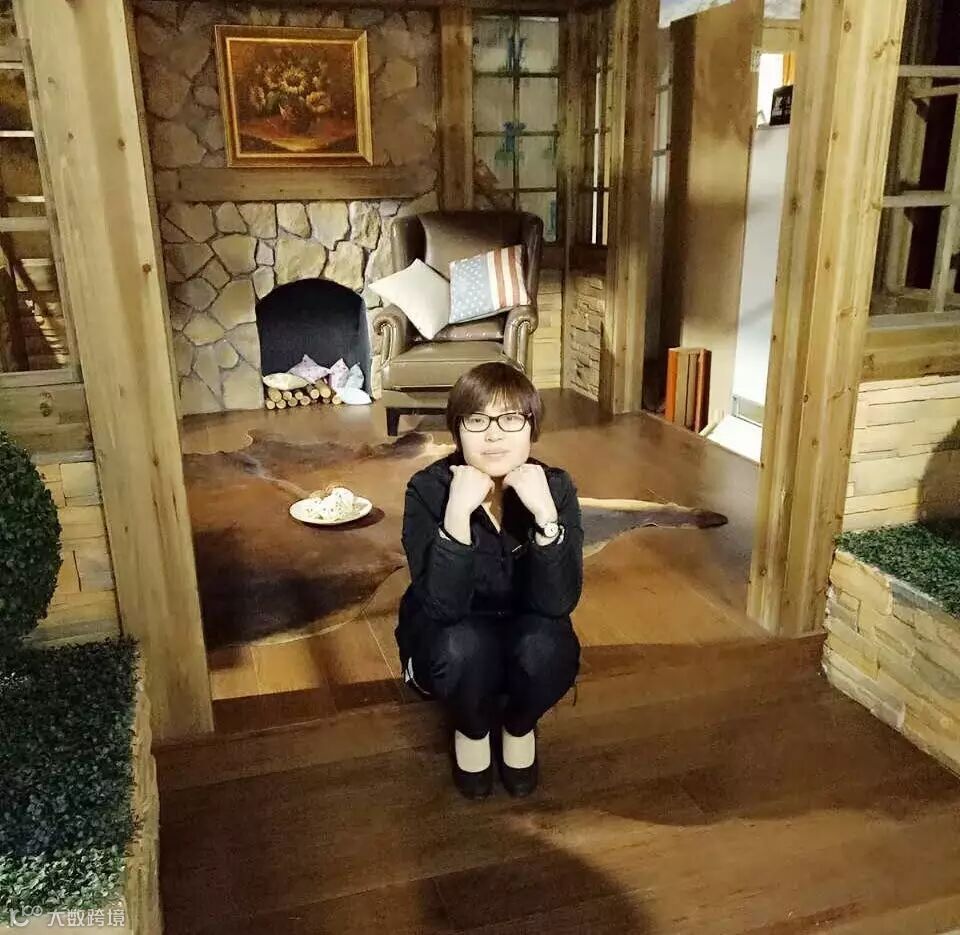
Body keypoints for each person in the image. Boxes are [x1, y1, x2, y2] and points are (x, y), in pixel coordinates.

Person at [397, 362, 583, 799]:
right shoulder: (428, 488)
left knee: (549, 648)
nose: (494, 435)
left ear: (531, 427)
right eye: (477, 420)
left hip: (526, 621)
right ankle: (473, 729)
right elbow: (442, 607)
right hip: (454, 628)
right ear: (457, 429)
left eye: (511, 418)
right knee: (461, 647)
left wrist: (546, 518)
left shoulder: (554, 487)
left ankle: (518, 725)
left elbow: (558, 602)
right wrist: (457, 515)